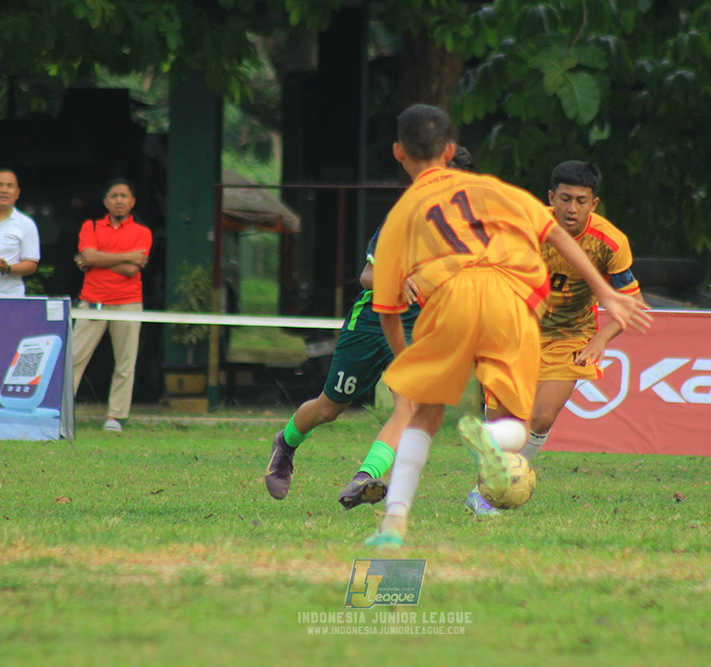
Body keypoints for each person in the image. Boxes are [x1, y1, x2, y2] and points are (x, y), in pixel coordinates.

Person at [359, 104, 651, 548]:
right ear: (452, 150)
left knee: (426, 413)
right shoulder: (485, 189)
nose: (571, 208)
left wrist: (406, 358)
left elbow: (385, 306)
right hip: (514, 309)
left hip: (464, 306)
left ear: (399, 153)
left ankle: (395, 523)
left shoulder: (401, 215)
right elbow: (551, 235)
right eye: (564, 198)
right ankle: (491, 438)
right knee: (516, 422)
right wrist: (605, 292)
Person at [264, 147, 477, 508]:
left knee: (407, 404)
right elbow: (366, 276)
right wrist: (397, 280)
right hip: (370, 322)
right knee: (328, 409)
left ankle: (365, 477)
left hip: (418, 330)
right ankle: (285, 444)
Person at [465, 160, 648, 515]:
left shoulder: (610, 242)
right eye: (564, 199)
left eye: (581, 201)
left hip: (571, 335)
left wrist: (600, 341)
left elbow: (633, 302)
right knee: (500, 419)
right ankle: (493, 475)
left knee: (541, 417)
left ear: (594, 204)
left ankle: (497, 491)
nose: (572, 208)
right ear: (550, 198)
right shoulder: (524, 228)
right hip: (516, 330)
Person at [71, 179, 152, 432]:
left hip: (128, 303)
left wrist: (95, 260)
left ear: (132, 202)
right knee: (73, 358)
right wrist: (125, 255)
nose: (119, 200)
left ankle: (115, 416)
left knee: (125, 362)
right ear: (106, 202)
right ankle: (60, 410)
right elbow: (91, 256)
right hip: (92, 301)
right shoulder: (91, 226)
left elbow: (130, 270)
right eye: (114, 196)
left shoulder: (142, 232)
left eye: (124, 196)